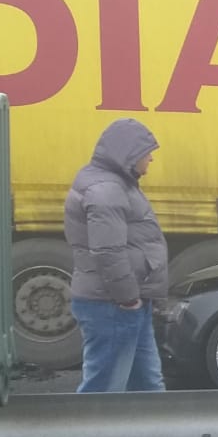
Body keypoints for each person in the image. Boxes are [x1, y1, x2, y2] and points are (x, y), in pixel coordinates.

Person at [64, 118, 169, 393]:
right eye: (147, 152)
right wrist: (128, 299)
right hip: (112, 305)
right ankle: (89, 426)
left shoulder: (117, 184)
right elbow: (108, 251)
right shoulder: (106, 190)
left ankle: (153, 425)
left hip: (124, 303)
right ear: (129, 154)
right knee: (104, 391)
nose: (151, 158)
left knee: (146, 385)